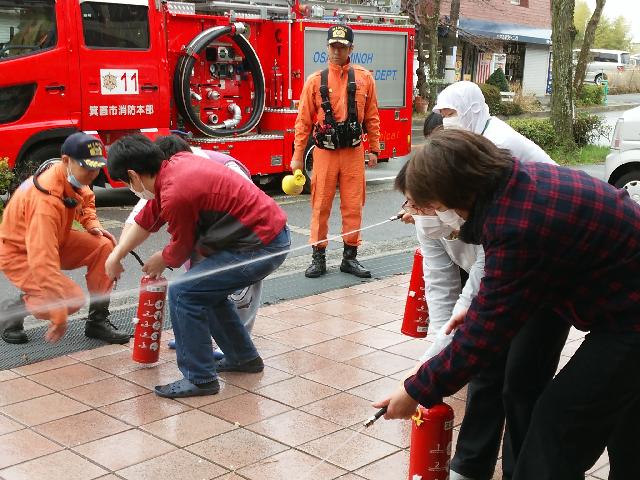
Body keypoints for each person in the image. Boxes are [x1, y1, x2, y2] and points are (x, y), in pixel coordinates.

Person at [375, 129, 640, 479]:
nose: (437, 215)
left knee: (557, 426)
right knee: (627, 422)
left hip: (630, 319)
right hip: (623, 304)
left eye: (437, 206)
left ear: (460, 192)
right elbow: (522, 283)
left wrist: (417, 389)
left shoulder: (515, 223)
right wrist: (481, 308)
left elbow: (484, 337)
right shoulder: (518, 185)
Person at [105, 134, 290, 399]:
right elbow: (146, 219)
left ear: (133, 175)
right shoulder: (174, 168)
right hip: (261, 239)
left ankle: (200, 378)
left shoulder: (177, 191)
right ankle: (243, 358)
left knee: (184, 292)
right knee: (205, 291)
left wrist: (162, 258)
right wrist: (116, 255)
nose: (129, 187)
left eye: (125, 181)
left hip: (261, 246)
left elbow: (181, 249)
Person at [121, 135, 261, 359]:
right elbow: (141, 216)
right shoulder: (163, 180)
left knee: (238, 297)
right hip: (205, 241)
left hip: (242, 244)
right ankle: (198, 337)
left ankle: (233, 350)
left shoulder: (223, 168)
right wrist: (118, 252)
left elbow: (252, 211)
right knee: (197, 290)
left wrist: (166, 257)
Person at [0, 133, 129, 344]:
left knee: (104, 247)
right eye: (87, 167)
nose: (93, 174)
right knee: (70, 300)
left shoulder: (71, 176)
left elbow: (86, 199)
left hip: (54, 239)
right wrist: (59, 316)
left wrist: (93, 225)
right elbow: (43, 261)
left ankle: (97, 321)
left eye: (97, 167)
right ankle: (16, 308)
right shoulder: (45, 202)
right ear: (67, 160)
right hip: (20, 253)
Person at [291, 24, 380, 279]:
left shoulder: (364, 78)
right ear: (327, 46)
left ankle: (349, 259)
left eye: (342, 47)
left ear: (351, 48)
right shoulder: (315, 81)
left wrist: (374, 148)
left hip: (353, 152)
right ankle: (318, 258)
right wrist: (298, 157)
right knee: (320, 205)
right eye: (333, 46)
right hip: (325, 153)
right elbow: (303, 122)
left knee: (353, 206)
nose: (337, 51)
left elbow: (372, 116)